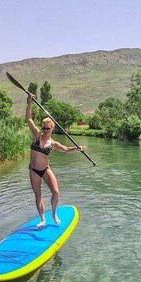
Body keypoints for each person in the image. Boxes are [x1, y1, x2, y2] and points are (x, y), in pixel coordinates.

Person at [26, 93, 85, 229]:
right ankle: (42, 219)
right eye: (44, 127)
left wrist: (77, 148)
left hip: (46, 169)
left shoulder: (53, 143)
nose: (45, 130)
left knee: (56, 192)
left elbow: (65, 149)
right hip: (34, 170)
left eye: (48, 128)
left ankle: (54, 214)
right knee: (38, 196)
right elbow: (29, 118)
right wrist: (29, 102)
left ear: (52, 128)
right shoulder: (37, 135)